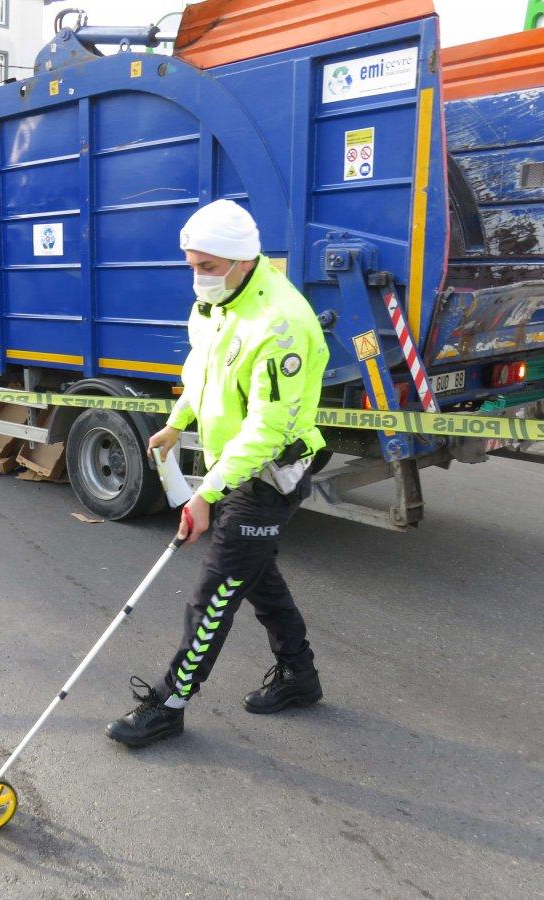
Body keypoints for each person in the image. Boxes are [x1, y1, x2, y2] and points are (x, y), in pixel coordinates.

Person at [106, 199, 331, 749]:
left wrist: (205, 494)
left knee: (215, 594)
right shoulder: (217, 300)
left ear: (242, 259)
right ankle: (300, 676)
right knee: (256, 576)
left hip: (270, 473)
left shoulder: (280, 326)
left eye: (207, 266)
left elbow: (268, 428)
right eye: (192, 265)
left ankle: (168, 705)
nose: (197, 277)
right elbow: (203, 372)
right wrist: (175, 423)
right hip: (231, 468)